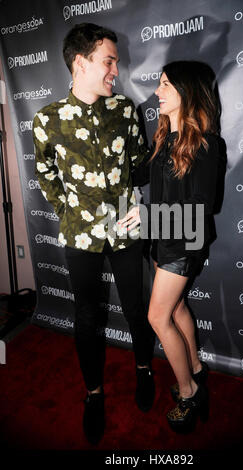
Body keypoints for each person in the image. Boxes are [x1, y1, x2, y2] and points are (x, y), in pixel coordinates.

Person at [32, 23, 155, 445]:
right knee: (87, 316)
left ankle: (143, 369)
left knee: (137, 308)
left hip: (125, 225)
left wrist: (138, 198)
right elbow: (45, 173)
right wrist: (68, 210)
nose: (115, 71)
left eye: (116, 63)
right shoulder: (48, 120)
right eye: (108, 61)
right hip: (79, 235)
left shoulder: (125, 110)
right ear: (80, 62)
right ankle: (94, 394)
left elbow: (140, 163)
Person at [119, 61, 224, 432]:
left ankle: (189, 390)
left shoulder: (208, 145)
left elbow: (201, 210)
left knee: (157, 317)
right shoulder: (164, 139)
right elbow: (139, 175)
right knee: (177, 307)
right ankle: (196, 368)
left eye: (165, 85)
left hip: (185, 244)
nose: (156, 92)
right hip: (164, 242)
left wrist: (147, 219)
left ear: (186, 91)